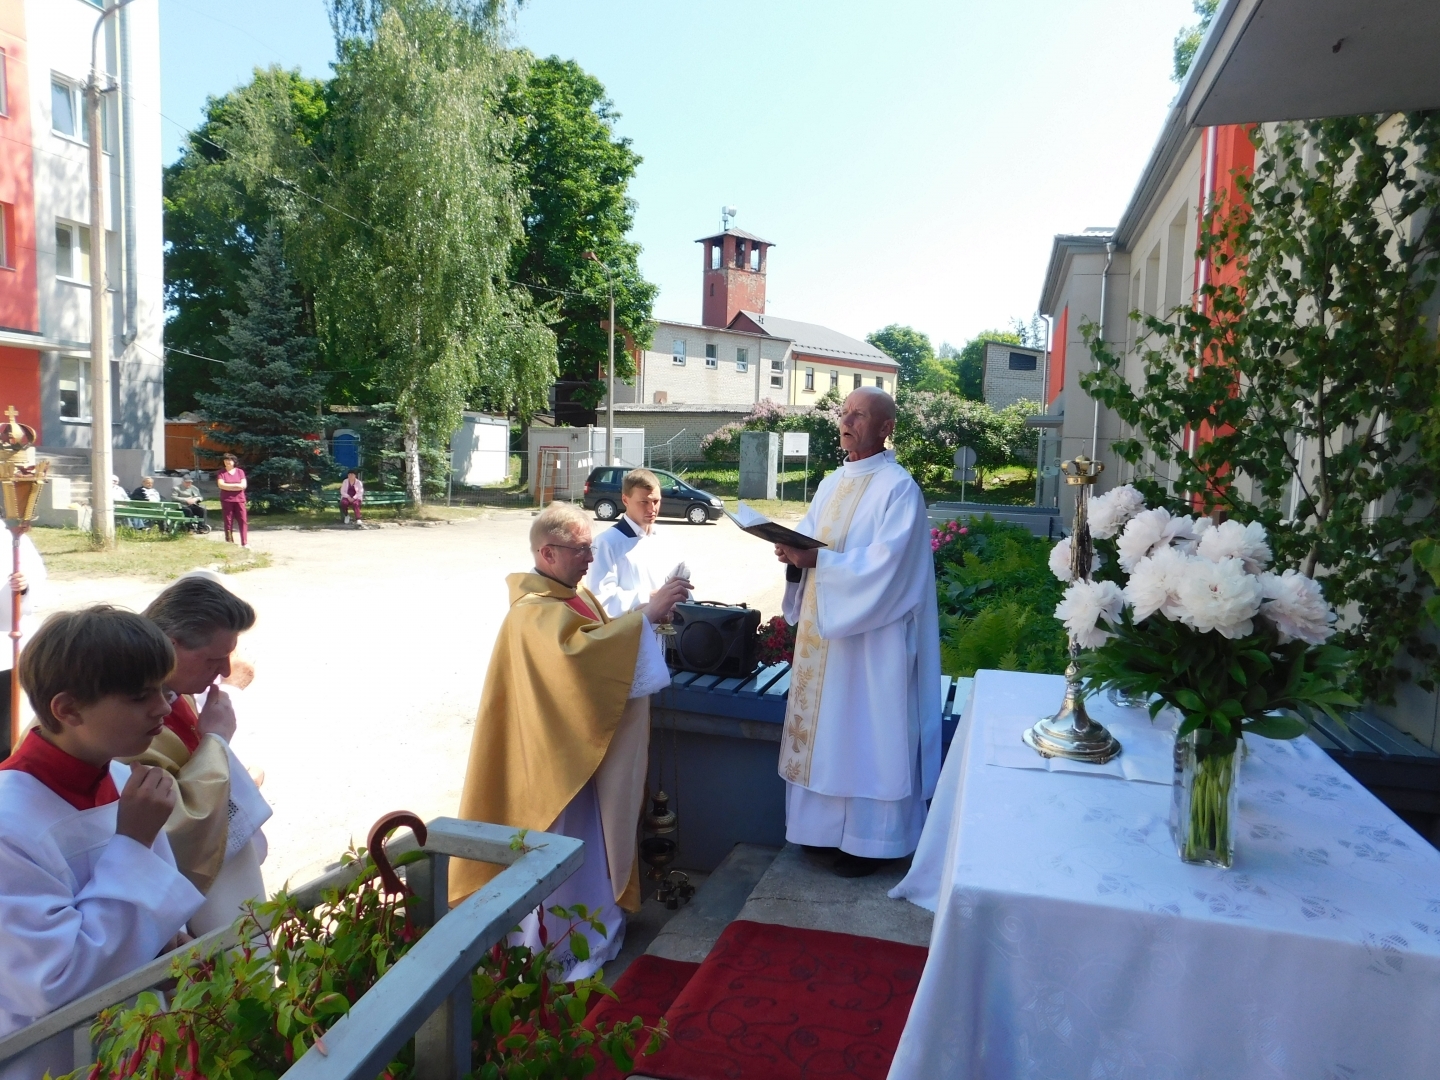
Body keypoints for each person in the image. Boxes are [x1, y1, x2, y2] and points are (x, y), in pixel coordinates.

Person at [452, 501, 688, 978]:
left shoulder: (571, 595)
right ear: (547, 552)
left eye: (590, 548)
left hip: (575, 751)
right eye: (581, 550)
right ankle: (550, 946)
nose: (590, 559)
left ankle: (589, 927)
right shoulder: (532, 613)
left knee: (585, 847)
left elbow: (597, 649)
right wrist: (646, 615)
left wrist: (643, 618)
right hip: (549, 765)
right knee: (556, 846)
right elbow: (580, 660)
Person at [0, 607, 204, 1080]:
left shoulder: (117, 774)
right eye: (139, 696)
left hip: (133, 1036)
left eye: (163, 689)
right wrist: (132, 843)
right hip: (48, 1058)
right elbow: (54, 981)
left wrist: (167, 938)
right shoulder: (9, 821)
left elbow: (155, 914)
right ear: (68, 710)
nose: (164, 709)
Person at [772, 387, 941, 878]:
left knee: (866, 733)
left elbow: (889, 568)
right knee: (825, 737)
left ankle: (871, 841)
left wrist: (819, 561)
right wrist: (790, 553)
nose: (846, 421)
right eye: (843, 413)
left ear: (886, 427)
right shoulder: (830, 483)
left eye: (859, 415)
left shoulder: (899, 488)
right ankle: (819, 833)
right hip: (824, 638)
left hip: (873, 644)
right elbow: (808, 536)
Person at [131, 575, 270, 935]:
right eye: (214, 658)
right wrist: (217, 742)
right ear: (171, 645)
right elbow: (174, 832)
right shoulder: (121, 718)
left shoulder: (174, 686)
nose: (225, 671)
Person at [583, 468, 679, 617]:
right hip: (634, 634)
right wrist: (649, 598)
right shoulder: (606, 542)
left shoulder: (666, 537)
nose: (652, 509)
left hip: (670, 633)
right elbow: (601, 599)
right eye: (644, 502)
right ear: (625, 500)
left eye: (656, 501)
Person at [0, 521, 45, 755]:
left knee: (5, 727)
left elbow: (36, 580)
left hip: (4, 647)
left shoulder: (11, 538)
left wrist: (25, 586)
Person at [217, 454, 248, 547]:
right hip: (227, 500)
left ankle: (245, 543)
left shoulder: (240, 472)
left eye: (230, 460)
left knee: (243, 521)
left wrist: (228, 486)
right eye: (225, 460)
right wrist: (236, 486)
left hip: (240, 500)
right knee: (228, 521)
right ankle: (229, 542)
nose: (227, 462)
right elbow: (221, 485)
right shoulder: (221, 472)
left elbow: (243, 485)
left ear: (234, 462)